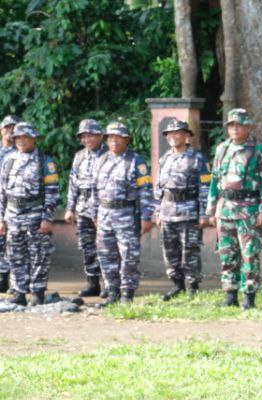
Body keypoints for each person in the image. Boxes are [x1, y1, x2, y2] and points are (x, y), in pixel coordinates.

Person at [206, 108, 262, 309]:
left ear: (248, 126)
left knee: (249, 254)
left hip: (248, 210)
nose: (235, 129)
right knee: (227, 253)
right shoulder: (222, 149)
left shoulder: (258, 151)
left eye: (239, 125)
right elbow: (215, 180)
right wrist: (211, 209)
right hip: (225, 209)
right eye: (231, 125)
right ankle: (230, 294)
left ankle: (249, 297)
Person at [87, 122, 153, 306]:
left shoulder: (135, 161)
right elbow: (94, 190)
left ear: (126, 140)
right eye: (110, 137)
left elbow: (146, 190)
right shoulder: (101, 160)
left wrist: (147, 216)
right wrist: (95, 215)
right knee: (106, 255)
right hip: (104, 214)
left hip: (126, 214)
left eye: (118, 137)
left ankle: (127, 294)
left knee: (129, 256)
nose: (114, 141)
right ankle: (112, 292)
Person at [0, 123, 58, 306]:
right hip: (12, 216)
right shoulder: (8, 160)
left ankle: (37, 292)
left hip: (35, 215)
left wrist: (47, 218)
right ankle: (19, 291)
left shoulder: (44, 161)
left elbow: (52, 192)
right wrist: (1, 218)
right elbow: (1, 192)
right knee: (15, 254)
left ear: (34, 138)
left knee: (39, 255)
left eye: (25, 137)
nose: (21, 140)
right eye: (18, 137)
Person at [152, 119, 210, 300]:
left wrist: (204, 213)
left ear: (186, 136)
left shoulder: (198, 158)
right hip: (168, 212)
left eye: (177, 133)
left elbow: (205, 187)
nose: (173, 136)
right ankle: (177, 285)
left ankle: (193, 287)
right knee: (170, 251)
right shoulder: (165, 159)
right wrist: (157, 212)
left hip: (189, 212)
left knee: (190, 251)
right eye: (170, 134)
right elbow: (158, 189)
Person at [64, 119, 107, 298]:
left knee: (106, 248)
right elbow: (73, 184)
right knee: (87, 246)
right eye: (84, 136)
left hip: (104, 209)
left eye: (91, 135)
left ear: (100, 136)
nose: (87, 139)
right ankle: (93, 284)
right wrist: (70, 208)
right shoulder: (80, 156)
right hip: (83, 208)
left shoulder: (109, 155)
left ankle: (111, 285)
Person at [0, 114, 16, 294]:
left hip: (14, 203)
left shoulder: (23, 152)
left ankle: (16, 281)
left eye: (14, 129)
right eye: (7, 128)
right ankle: (2, 278)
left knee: (15, 242)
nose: (10, 132)